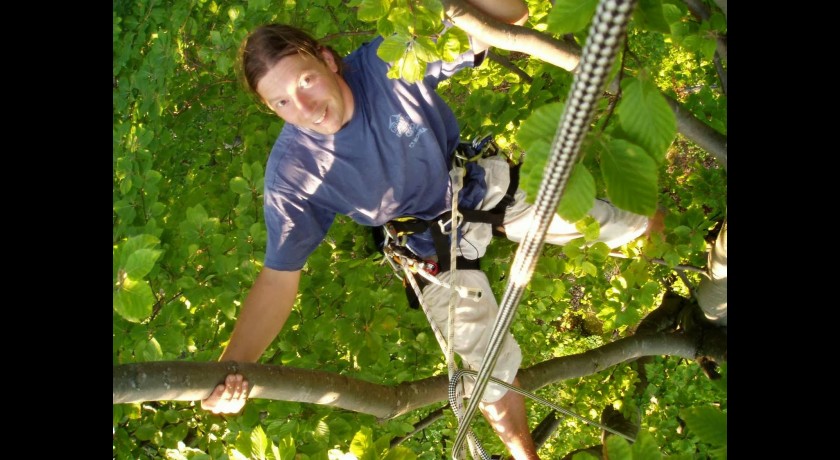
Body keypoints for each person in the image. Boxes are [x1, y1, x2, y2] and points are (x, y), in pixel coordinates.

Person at [200, 2, 652, 459]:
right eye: (281, 103)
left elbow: (509, 14)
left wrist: (452, 8)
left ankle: (672, 248)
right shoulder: (295, 174)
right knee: (485, 370)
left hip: (473, 189)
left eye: (305, 80)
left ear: (327, 59)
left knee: (622, 224)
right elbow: (279, 277)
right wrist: (234, 368)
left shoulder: (386, 62)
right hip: (424, 248)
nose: (304, 108)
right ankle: (524, 456)